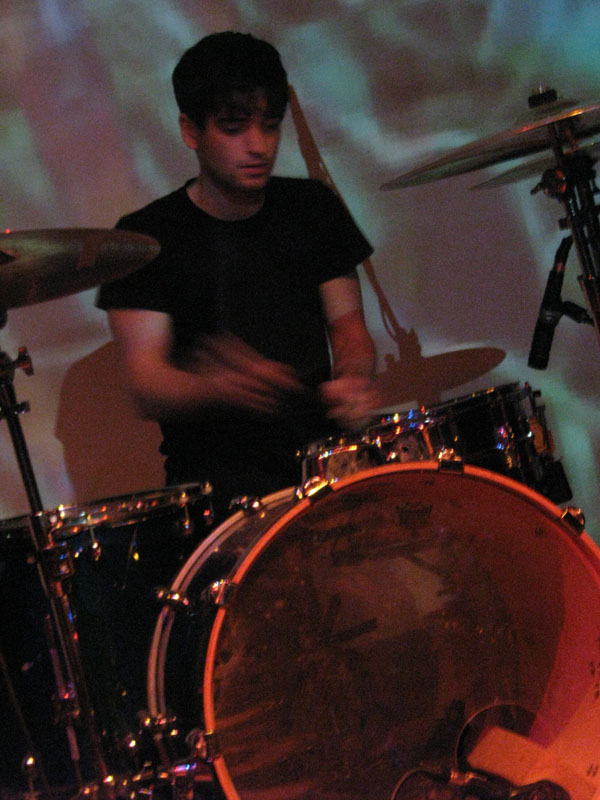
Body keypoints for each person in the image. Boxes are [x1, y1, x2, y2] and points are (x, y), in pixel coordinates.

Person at [97, 31, 378, 526]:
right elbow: (145, 383)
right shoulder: (145, 238)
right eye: (234, 127)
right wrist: (218, 387)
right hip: (219, 498)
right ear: (191, 130)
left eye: (270, 127)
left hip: (324, 474)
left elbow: (349, 328)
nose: (257, 146)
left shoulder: (313, 208)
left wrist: (353, 379)